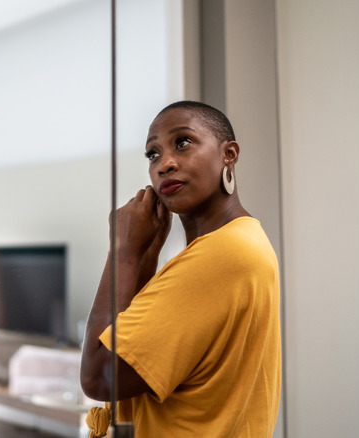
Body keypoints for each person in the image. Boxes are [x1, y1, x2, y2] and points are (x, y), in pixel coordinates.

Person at [80, 101, 281, 437]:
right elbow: (132, 354)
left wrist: (123, 251)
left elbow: (99, 377)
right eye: (152, 154)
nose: (164, 164)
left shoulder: (220, 254)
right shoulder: (241, 240)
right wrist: (145, 255)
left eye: (182, 142)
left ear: (228, 154)